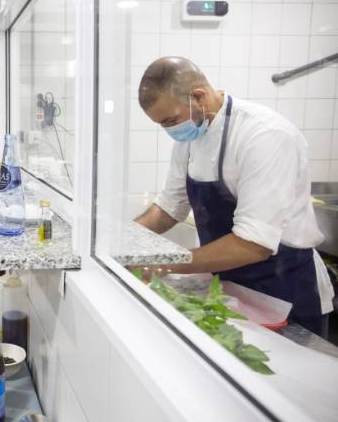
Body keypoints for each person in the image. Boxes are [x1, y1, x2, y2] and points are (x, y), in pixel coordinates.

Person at [134, 56, 333, 336]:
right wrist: (122, 242)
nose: (169, 130)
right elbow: (169, 207)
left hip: (283, 291)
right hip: (230, 288)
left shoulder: (264, 135)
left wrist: (161, 263)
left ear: (198, 96)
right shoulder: (191, 137)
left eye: (171, 120)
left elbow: (253, 244)